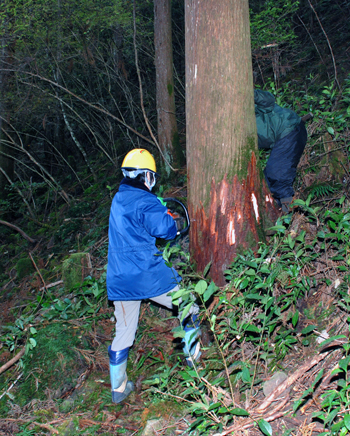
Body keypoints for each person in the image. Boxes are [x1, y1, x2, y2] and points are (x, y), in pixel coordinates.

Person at [106, 148, 201, 404]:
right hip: (147, 275)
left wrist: (156, 209)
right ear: (146, 176)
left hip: (119, 279)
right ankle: (197, 365)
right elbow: (166, 231)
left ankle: (118, 388)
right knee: (188, 305)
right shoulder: (146, 201)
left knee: (123, 332)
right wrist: (167, 217)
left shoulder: (118, 200)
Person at [254, 89, 307, 213]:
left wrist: (247, 93)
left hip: (290, 129)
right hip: (284, 136)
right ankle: (276, 215)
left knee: (277, 174)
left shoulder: (251, 105)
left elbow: (269, 99)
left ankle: (290, 215)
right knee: (265, 181)